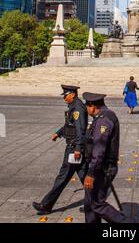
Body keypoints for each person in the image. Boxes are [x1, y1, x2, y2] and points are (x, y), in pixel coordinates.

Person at [32, 85, 88, 215]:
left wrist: (78, 148)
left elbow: (80, 129)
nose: (64, 97)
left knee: (63, 177)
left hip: (74, 148)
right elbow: (69, 125)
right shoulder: (73, 106)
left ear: (73, 94)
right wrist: (58, 133)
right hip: (76, 147)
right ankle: (95, 203)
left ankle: (46, 205)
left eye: (65, 95)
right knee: (85, 177)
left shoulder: (77, 107)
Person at [83, 92, 130, 223]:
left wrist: (91, 173)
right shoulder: (102, 116)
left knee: (96, 203)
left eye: (87, 107)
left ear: (92, 106)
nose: (87, 110)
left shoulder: (104, 119)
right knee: (90, 203)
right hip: (101, 166)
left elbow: (99, 148)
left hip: (102, 168)